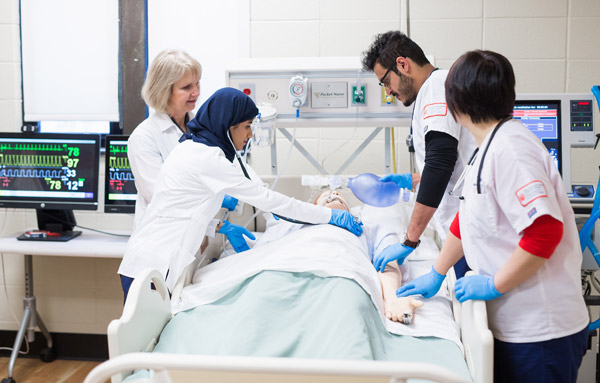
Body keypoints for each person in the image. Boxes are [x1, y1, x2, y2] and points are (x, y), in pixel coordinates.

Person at [397, 50, 588, 383]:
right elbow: (468, 217)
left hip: (539, 329)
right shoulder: (485, 149)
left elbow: (543, 232)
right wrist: (437, 272)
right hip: (515, 324)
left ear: (455, 104)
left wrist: (493, 284)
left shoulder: (512, 150)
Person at [118, 87, 363, 300]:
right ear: (228, 126)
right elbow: (268, 200)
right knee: (146, 344)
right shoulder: (206, 158)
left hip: (150, 259)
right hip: (154, 264)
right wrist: (329, 216)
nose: (250, 134)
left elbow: (179, 209)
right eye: (246, 126)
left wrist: (216, 226)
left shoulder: (194, 147)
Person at [122, 50, 242, 300]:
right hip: (155, 258)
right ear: (164, 90)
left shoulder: (202, 128)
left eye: (197, 83)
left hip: (189, 253)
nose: (196, 92)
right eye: (186, 87)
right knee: (148, 336)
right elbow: (166, 202)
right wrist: (215, 224)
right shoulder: (144, 138)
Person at [362, 31, 477, 272]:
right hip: (462, 230)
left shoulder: (436, 87)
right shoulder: (436, 90)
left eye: (385, 82)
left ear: (402, 64)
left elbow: (441, 162)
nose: (388, 92)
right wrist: (412, 180)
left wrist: (409, 240)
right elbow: (456, 165)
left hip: (469, 231)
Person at [257, 189, 424, 324]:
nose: (333, 195)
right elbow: (268, 253)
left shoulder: (367, 228)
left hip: (342, 276)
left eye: (338, 195)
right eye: (326, 197)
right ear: (312, 208)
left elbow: (387, 263)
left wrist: (392, 298)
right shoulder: (292, 224)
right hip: (289, 274)